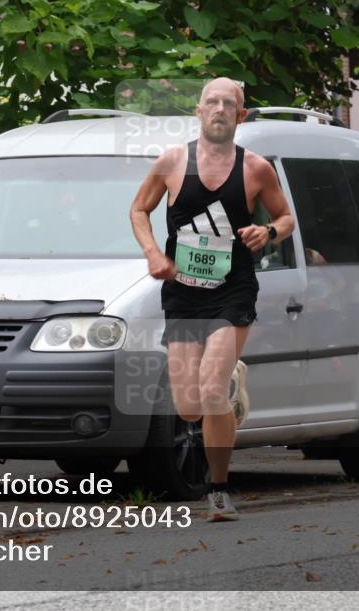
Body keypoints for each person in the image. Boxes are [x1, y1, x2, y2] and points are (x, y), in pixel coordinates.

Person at [129, 77, 294, 521]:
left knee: (211, 391)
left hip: (232, 290)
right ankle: (229, 381)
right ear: (199, 111)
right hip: (183, 293)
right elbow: (139, 209)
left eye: (228, 103)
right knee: (188, 407)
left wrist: (268, 231)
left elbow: (286, 217)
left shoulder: (255, 168)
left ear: (241, 115)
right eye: (212, 102)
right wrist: (153, 253)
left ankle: (218, 491)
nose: (219, 109)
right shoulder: (172, 162)